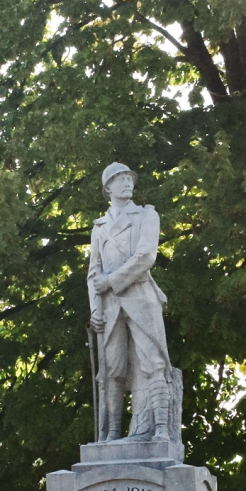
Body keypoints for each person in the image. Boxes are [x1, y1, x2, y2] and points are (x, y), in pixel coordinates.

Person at [88, 162, 172, 443]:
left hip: (140, 298)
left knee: (153, 363)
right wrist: (94, 310)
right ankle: (111, 434)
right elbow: (93, 273)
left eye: (128, 178)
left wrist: (111, 281)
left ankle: (161, 429)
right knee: (112, 370)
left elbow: (145, 256)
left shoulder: (146, 215)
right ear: (107, 188)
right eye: (119, 179)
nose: (127, 182)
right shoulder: (99, 227)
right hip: (109, 307)